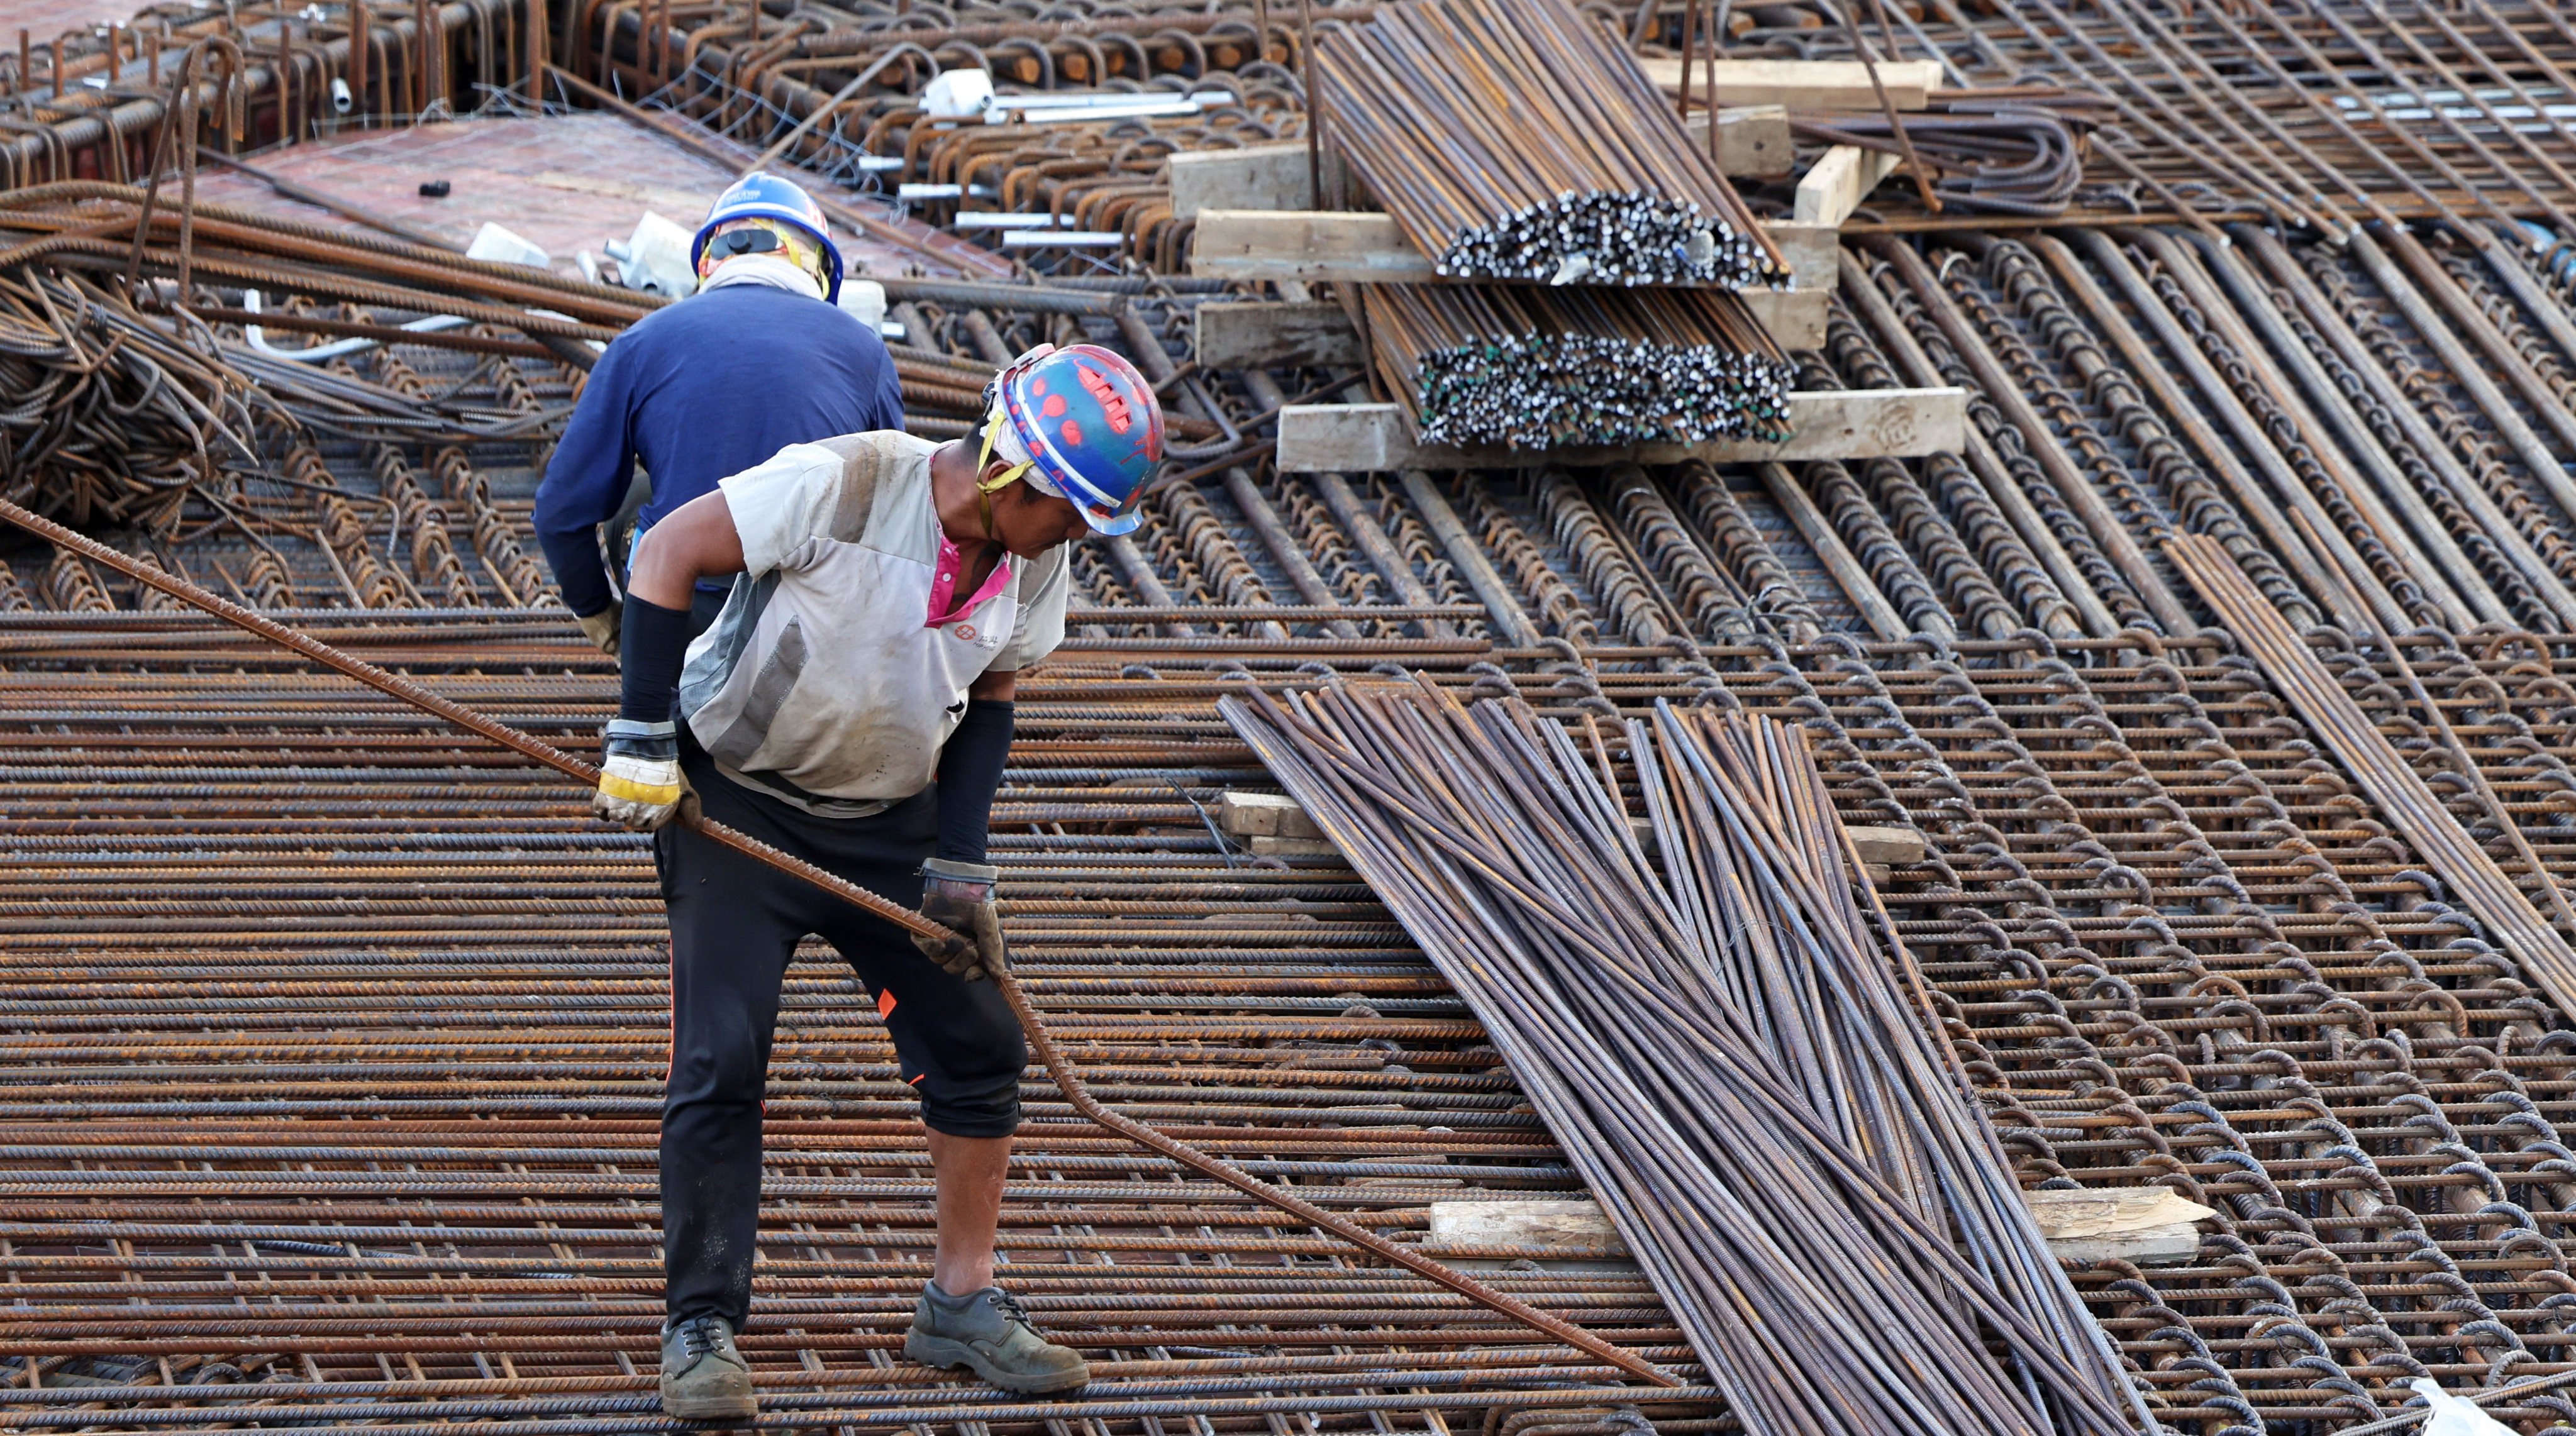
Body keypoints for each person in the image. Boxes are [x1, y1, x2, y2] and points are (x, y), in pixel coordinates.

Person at [587, 343, 1166, 1420]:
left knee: (981, 1047)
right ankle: (700, 1323)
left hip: (888, 827)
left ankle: (960, 1301)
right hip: (740, 803)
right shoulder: (846, 480)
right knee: (723, 1049)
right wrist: (641, 731)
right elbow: (665, 550)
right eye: (1075, 511)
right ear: (1008, 474)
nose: (1084, 534)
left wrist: (958, 857)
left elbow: (990, 694)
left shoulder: (1038, 555)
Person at [533, 171, 901, 652]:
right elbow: (898, 521)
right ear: (817, 267)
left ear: (709, 262)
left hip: (682, 609)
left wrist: (601, 617)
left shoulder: (641, 343)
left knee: (632, 499)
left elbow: (560, 512)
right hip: (814, 625)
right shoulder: (867, 353)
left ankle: (652, 665)